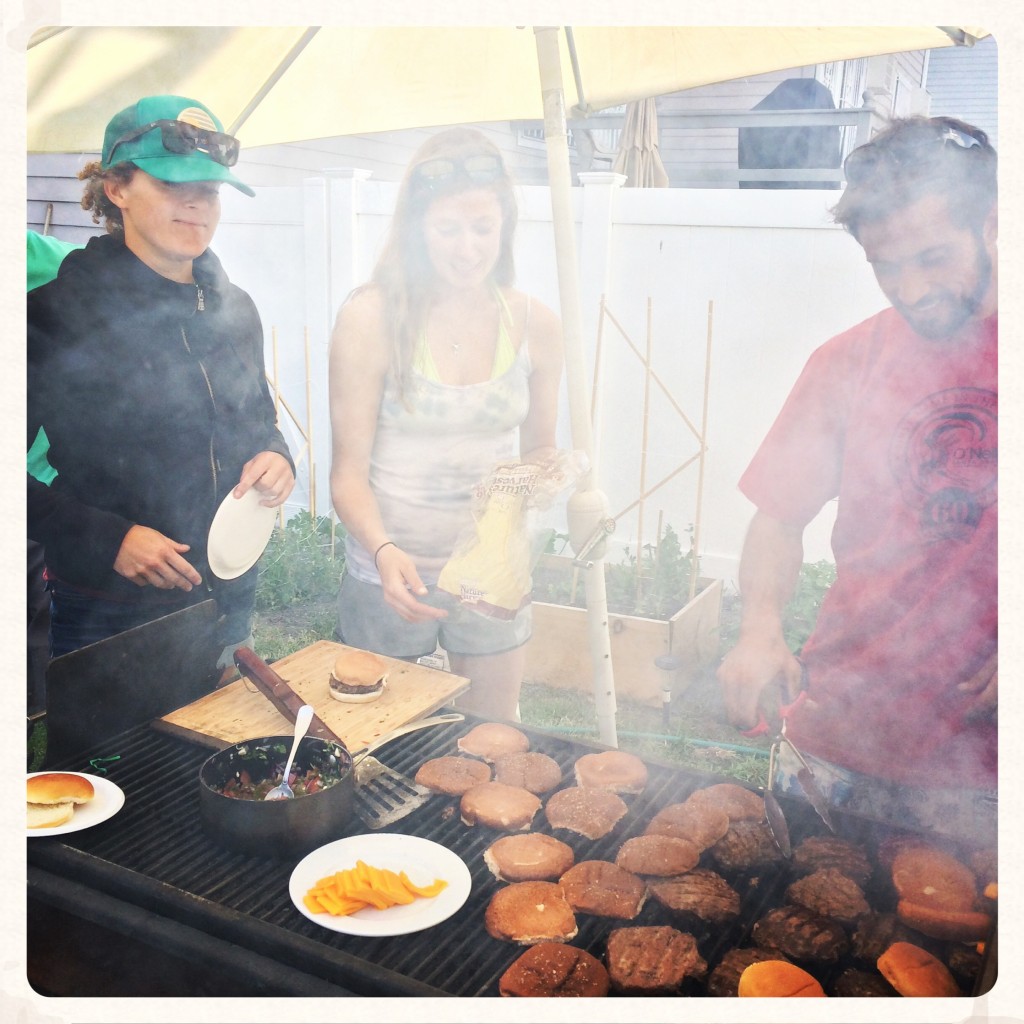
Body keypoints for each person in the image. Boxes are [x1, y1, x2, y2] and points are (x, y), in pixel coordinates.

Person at [717, 116, 997, 842]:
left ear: (996, 224)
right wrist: (759, 628)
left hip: (989, 774)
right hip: (836, 740)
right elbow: (778, 517)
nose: (912, 288)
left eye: (934, 257)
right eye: (886, 266)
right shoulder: (848, 362)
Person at [28, 95, 295, 667]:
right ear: (116, 189)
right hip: (110, 608)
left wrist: (276, 454)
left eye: (212, 188)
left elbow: (260, 419)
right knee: (116, 760)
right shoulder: (51, 315)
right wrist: (108, 539)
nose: (198, 202)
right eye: (175, 184)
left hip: (229, 586)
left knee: (218, 749)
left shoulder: (235, 308)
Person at [328, 127, 564, 720]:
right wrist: (383, 551)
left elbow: (539, 452)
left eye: (482, 228)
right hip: (386, 573)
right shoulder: (370, 317)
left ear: (505, 225)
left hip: (493, 577)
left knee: (493, 739)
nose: (467, 249)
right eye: (448, 229)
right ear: (416, 228)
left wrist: (539, 482)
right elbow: (347, 475)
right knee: (380, 743)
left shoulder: (537, 324)